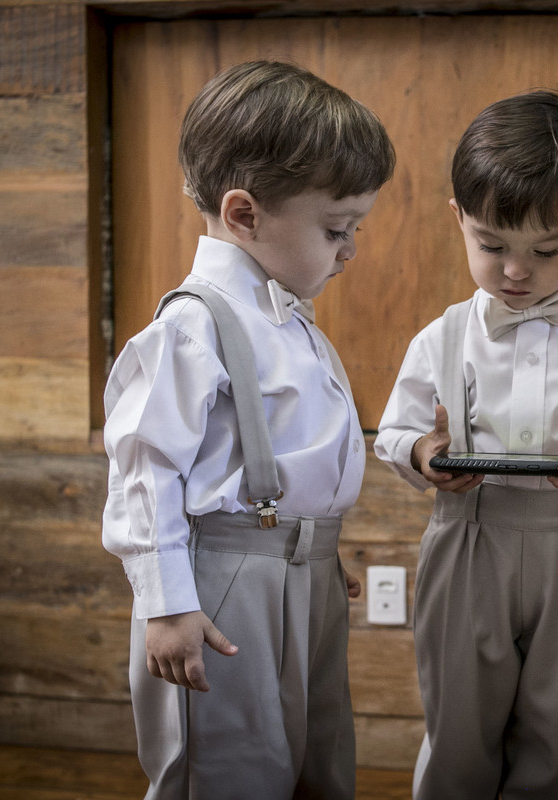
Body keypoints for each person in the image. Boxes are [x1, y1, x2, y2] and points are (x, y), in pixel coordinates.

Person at [101, 60, 395, 799]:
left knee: (314, 751)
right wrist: (167, 603)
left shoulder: (287, 316)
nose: (350, 250)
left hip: (302, 572)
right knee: (230, 764)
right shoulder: (192, 329)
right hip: (221, 589)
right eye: (336, 229)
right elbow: (145, 472)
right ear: (244, 215)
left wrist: (310, 546)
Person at [374, 89, 558, 800]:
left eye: (544, 250)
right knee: (458, 724)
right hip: (465, 540)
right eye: (491, 245)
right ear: (458, 220)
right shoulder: (438, 338)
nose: (515, 270)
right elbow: (392, 432)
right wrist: (425, 454)